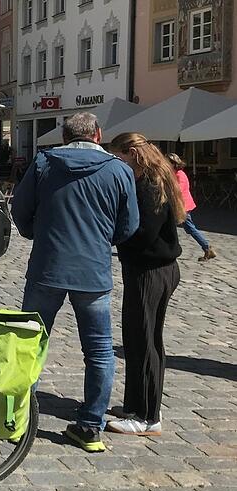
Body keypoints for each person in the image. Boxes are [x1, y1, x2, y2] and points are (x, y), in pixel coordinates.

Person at [12, 112, 139, 453]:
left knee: (30, 343)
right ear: (98, 134)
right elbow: (129, 225)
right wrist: (100, 240)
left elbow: (19, 211)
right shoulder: (118, 170)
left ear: (64, 136)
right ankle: (90, 425)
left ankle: (18, 418)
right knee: (99, 351)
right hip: (93, 271)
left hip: (47, 267)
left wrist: (37, 232)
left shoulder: (44, 164)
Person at [108, 133, 184, 436]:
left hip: (151, 270)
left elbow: (142, 233)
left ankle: (147, 416)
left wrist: (113, 233)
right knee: (138, 339)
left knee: (144, 341)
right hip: (151, 268)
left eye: (119, 156)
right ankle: (135, 403)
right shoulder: (151, 180)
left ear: (132, 154)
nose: (118, 162)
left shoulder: (150, 186)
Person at [167, 153, 215, 261]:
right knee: (189, 228)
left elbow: (178, 191)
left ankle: (207, 248)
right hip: (180, 206)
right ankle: (207, 248)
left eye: (168, 163)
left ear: (174, 163)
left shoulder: (180, 175)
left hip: (182, 207)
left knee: (169, 226)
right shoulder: (175, 174)